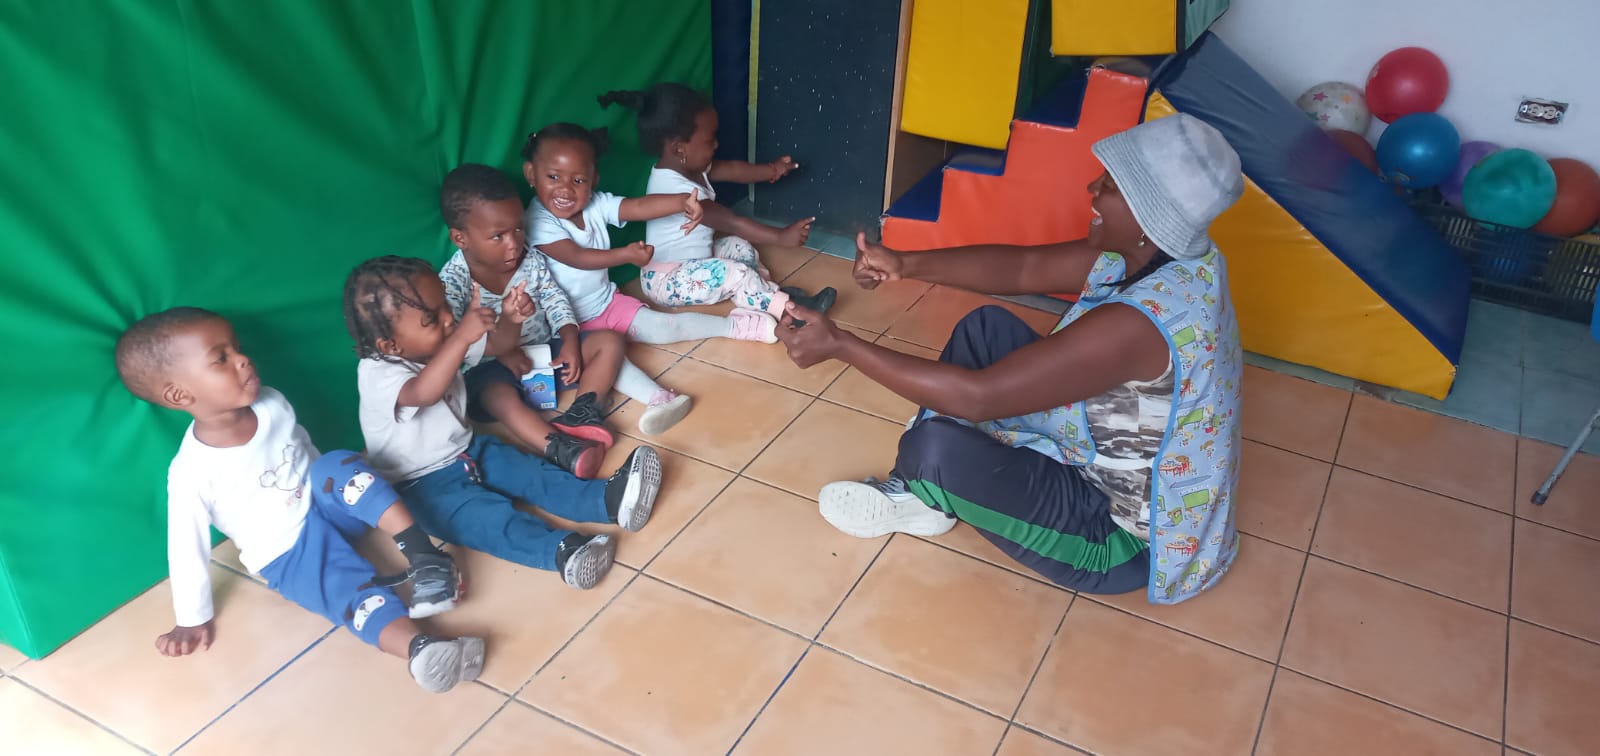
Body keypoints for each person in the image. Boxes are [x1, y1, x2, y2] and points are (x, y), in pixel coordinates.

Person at [776, 114, 1245, 603]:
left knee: (936, 451)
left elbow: (979, 398)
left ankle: (927, 487)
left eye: (1109, 186)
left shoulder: (1137, 325)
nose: (1092, 188)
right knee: (986, 331)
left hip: (1115, 539)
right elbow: (1024, 268)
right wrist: (904, 263)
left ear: (1150, 215)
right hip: (1090, 455)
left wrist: (842, 345)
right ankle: (923, 493)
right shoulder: (1161, 256)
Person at [113, 307, 482, 693]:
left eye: (237, 348)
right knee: (349, 595)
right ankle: (421, 649)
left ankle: (426, 559)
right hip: (289, 552)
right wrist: (192, 618)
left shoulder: (271, 403)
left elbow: (308, 455)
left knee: (336, 464)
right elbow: (186, 547)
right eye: (221, 359)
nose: (243, 359)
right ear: (179, 394)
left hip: (327, 509)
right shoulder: (191, 472)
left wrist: (348, 494)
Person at [344, 256, 661, 589]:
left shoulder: (443, 339)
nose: (449, 318)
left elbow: (500, 344)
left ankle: (607, 500)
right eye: (432, 318)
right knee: (488, 521)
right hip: (421, 485)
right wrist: (461, 338)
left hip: (469, 450)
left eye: (444, 306)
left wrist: (510, 319)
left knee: (533, 474)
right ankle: (561, 551)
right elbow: (423, 392)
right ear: (390, 345)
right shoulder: (377, 372)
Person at [437, 163, 691, 440]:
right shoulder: (453, 283)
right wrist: (501, 353)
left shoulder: (528, 257)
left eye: (519, 228)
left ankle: (583, 412)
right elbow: (455, 341)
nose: (513, 243)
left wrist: (569, 339)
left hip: (546, 357)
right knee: (497, 397)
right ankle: (556, 446)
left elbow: (554, 298)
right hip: (493, 371)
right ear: (460, 238)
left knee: (609, 342)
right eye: (498, 236)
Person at [521, 123, 781, 351]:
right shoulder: (538, 220)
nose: (565, 189)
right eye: (553, 177)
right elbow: (577, 257)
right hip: (563, 324)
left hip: (607, 305)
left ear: (593, 181)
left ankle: (735, 326)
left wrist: (682, 201)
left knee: (667, 327)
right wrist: (625, 255)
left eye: (578, 180)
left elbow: (637, 207)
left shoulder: (595, 204)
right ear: (531, 174)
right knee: (612, 365)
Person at [597, 83, 836, 316]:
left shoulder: (691, 168)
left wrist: (773, 169)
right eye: (709, 140)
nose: (717, 144)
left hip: (693, 260)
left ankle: (762, 292)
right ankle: (790, 312)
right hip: (668, 279)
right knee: (737, 272)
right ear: (679, 149)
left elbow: (733, 170)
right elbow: (730, 221)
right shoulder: (678, 190)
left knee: (740, 246)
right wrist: (780, 236)